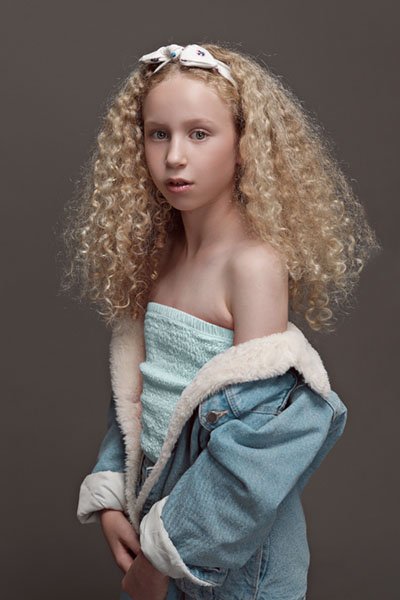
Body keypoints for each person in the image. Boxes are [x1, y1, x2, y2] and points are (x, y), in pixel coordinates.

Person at [61, 42, 381, 600]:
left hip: (233, 556)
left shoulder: (253, 267)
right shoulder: (158, 258)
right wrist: (112, 496)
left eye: (199, 134)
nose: (174, 157)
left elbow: (256, 445)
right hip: (157, 517)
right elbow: (136, 400)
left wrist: (161, 559)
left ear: (244, 145)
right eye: (157, 134)